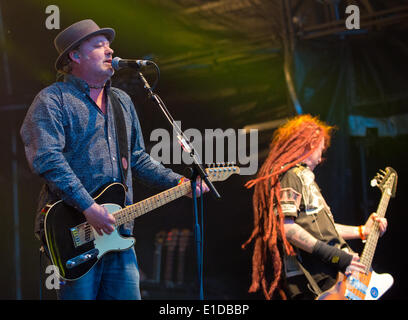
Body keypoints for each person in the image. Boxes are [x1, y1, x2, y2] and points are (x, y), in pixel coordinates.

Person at [20, 19, 208, 300]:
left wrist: (179, 181)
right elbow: (47, 159)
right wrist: (88, 207)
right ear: (75, 56)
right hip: (73, 232)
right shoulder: (52, 100)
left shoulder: (121, 101)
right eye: (99, 45)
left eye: (109, 45)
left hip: (117, 234)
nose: (109, 51)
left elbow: (137, 158)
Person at [242, 114, 387, 300]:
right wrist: (339, 258)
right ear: (312, 143)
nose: (321, 158)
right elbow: (286, 228)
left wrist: (362, 231)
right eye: (321, 148)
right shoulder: (292, 175)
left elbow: (322, 232)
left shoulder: (304, 179)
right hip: (317, 277)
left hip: (331, 273)